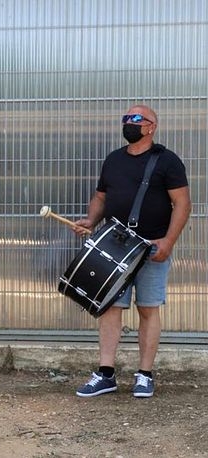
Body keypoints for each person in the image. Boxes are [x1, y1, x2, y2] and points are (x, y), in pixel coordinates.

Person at [72, 105, 191, 398]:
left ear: (152, 126)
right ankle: (106, 374)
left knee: (148, 309)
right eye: (126, 118)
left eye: (136, 119)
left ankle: (145, 375)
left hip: (152, 247)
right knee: (109, 307)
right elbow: (101, 197)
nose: (129, 123)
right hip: (115, 246)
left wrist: (168, 242)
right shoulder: (113, 160)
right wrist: (91, 220)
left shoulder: (168, 161)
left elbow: (183, 204)